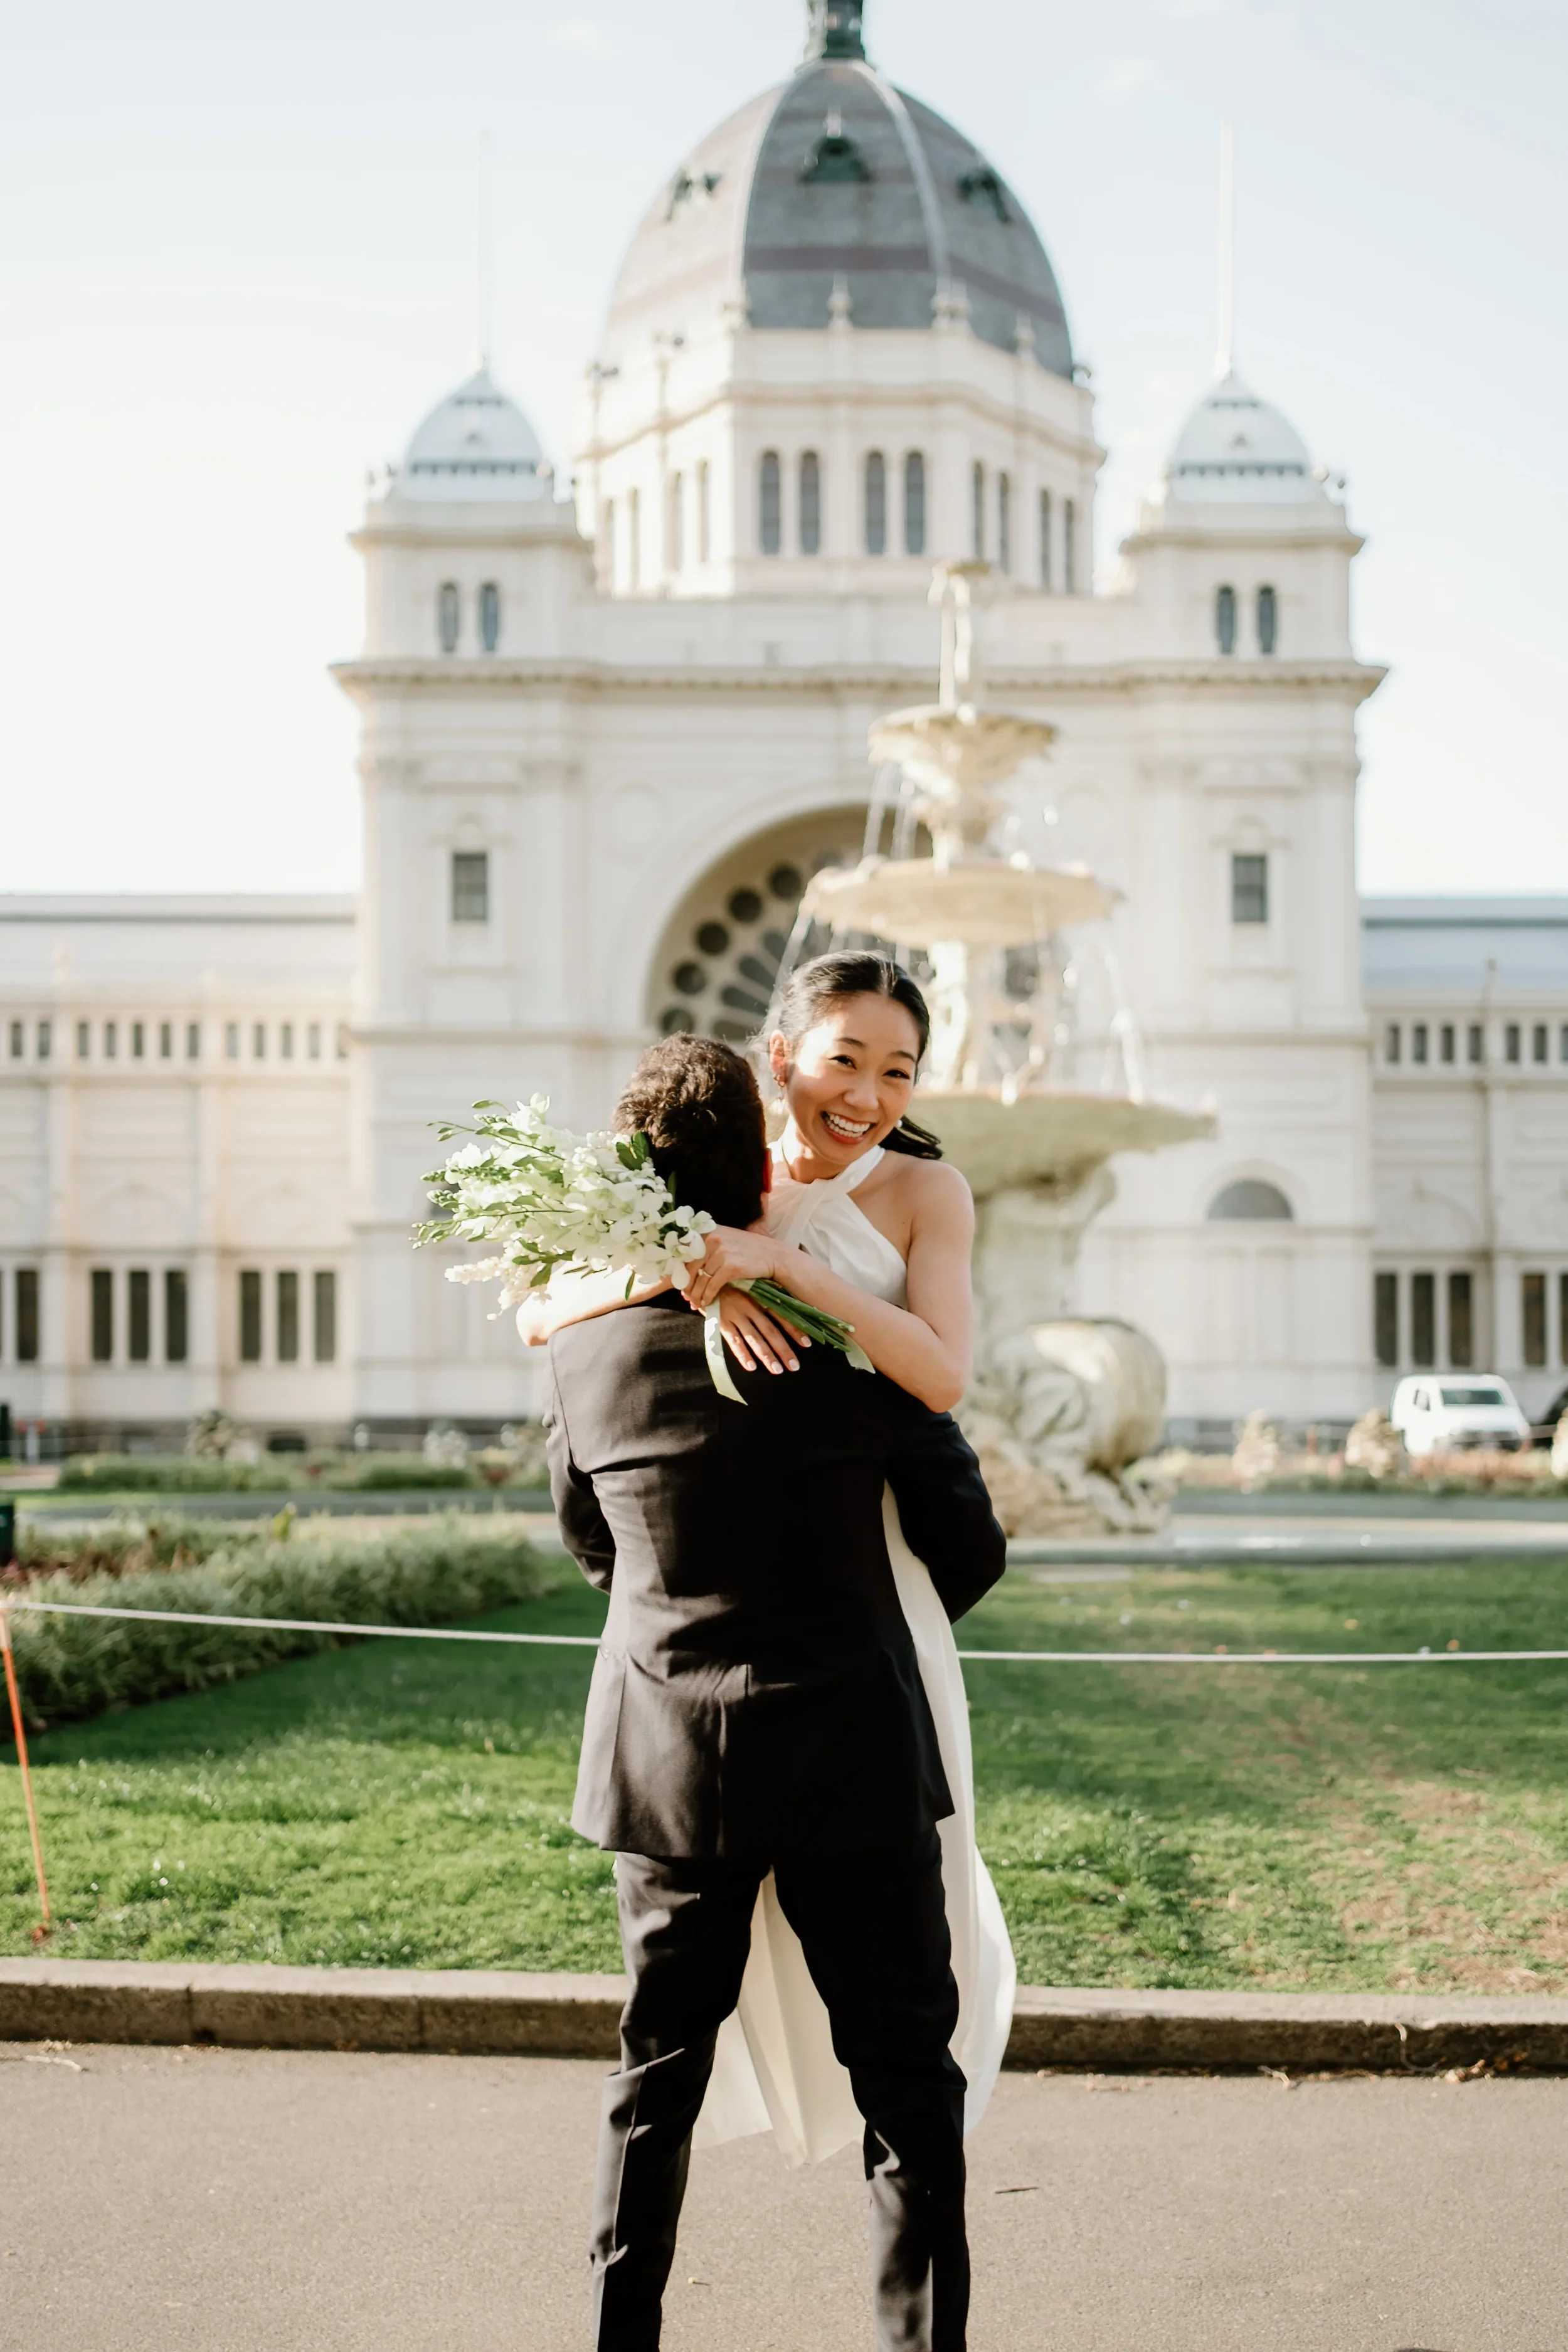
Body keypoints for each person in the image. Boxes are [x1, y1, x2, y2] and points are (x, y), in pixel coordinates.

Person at [545, 1030, 1006, 2352]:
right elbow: (964, 1536)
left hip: (665, 1752)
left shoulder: (579, 1353)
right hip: (852, 1745)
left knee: (652, 2077)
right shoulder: (846, 1347)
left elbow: (589, 1544)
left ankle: (615, 2336)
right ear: (759, 1164)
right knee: (908, 2083)